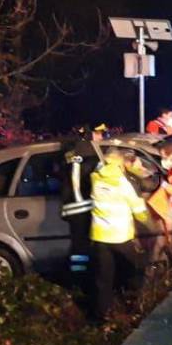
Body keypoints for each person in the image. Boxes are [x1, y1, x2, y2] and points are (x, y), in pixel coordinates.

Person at [89, 149, 150, 319]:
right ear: (121, 165)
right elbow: (139, 212)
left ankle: (101, 316)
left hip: (100, 237)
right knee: (136, 268)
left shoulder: (95, 178)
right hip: (120, 236)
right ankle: (133, 305)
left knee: (103, 278)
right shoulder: (123, 184)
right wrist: (147, 219)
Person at [60, 125, 102, 281]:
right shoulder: (91, 155)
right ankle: (83, 279)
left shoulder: (70, 153)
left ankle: (78, 276)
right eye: (98, 134)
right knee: (85, 245)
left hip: (71, 207)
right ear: (91, 135)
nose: (101, 138)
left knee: (78, 245)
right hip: (84, 208)